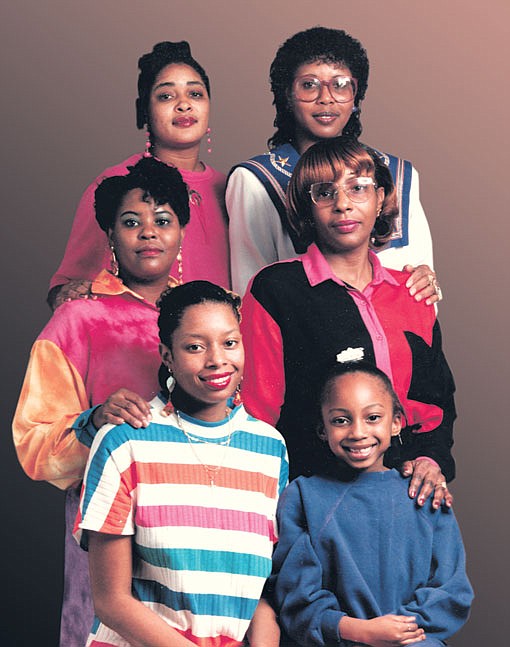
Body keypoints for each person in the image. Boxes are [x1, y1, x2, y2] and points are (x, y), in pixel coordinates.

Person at [13, 157, 190, 646]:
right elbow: (33, 445)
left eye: (163, 221)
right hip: (110, 529)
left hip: (196, 526)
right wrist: (93, 422)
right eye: (131, 223)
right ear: (110, 236)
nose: (148, 234)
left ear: (181, 233)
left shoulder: (209, 311)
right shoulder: (78, 320)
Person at [241, 137, 455, 507]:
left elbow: (436, 402)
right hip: (310, 495)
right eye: (324, 192)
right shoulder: (277, 289)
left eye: (358, 188)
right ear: (307, 208)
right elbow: (257, 412)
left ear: (381, 198)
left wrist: (429, 461)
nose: (343, 204)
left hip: (407, 494)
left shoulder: (412, 292)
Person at [73, 280, 288, 647]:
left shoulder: (270, 448)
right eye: (194, 347)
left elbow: (262, 591)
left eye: (230, 342)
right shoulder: (125, 441)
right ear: (167, 355)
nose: (217, 359)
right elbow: (111, 601)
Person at [227, 26, 440, 300]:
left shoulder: (398, 174)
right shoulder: (256, 180)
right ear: (287, 96)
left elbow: (423, 281)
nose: (326, 98)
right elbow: (250, 295)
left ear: (355, 96)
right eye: (309, 85)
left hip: (395, 334)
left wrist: (427, 282)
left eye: (340, 85)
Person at [270, 361, 473, 647]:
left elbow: (451, 592)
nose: (358, 432)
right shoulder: (304, 497)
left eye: (373, 417)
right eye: (341, 420)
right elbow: (297, 599)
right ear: (323, 430)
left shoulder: (426, 494)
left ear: (396, 423)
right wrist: (361, 631)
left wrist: (398, 633)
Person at [48, 40, 230, 309]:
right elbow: (65, 287)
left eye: (195, 94)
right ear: (144, 110)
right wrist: (68, 293)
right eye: (166, 96)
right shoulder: (119, 183)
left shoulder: (230, 187)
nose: (183, 105)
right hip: (141, 341)